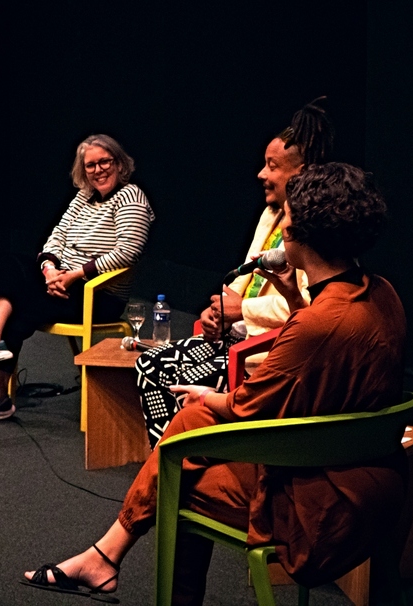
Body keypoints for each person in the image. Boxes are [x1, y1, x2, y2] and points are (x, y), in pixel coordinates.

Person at [22, 162, 406, 604]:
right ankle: (104, 558)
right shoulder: (381, 294)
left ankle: (105, 557)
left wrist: (211, 397)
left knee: (183, 458)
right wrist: (295, 299)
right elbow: (322, 362)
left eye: (289, 223)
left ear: (301, 238)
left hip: (317, 505)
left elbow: (247, 409)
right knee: (193, 428)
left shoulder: (319, 325)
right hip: (376, 486)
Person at [137, 98, 333, 448]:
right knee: (150, 365)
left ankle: (191, 464)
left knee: (173, 377)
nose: (261, 174)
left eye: (272, 166)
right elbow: (244, 279)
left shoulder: (312, 231)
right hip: (237, 333)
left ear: (300, 174)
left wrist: (240, 311)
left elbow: (306, 307)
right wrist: (218, 311)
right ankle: (171, 462)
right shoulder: (270, 215)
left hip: (263, 348)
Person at [0, 134, 155, 420]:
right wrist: (49, 270)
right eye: (90, 165)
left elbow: (127, 252)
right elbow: (55, 238)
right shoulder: (83, 198)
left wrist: (74, 275)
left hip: (99, 295)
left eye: (104, 162)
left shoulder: (131, 196)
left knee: (17, 302)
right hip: (63, 282)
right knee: (14, 267)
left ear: (119, 163)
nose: (98, 170)